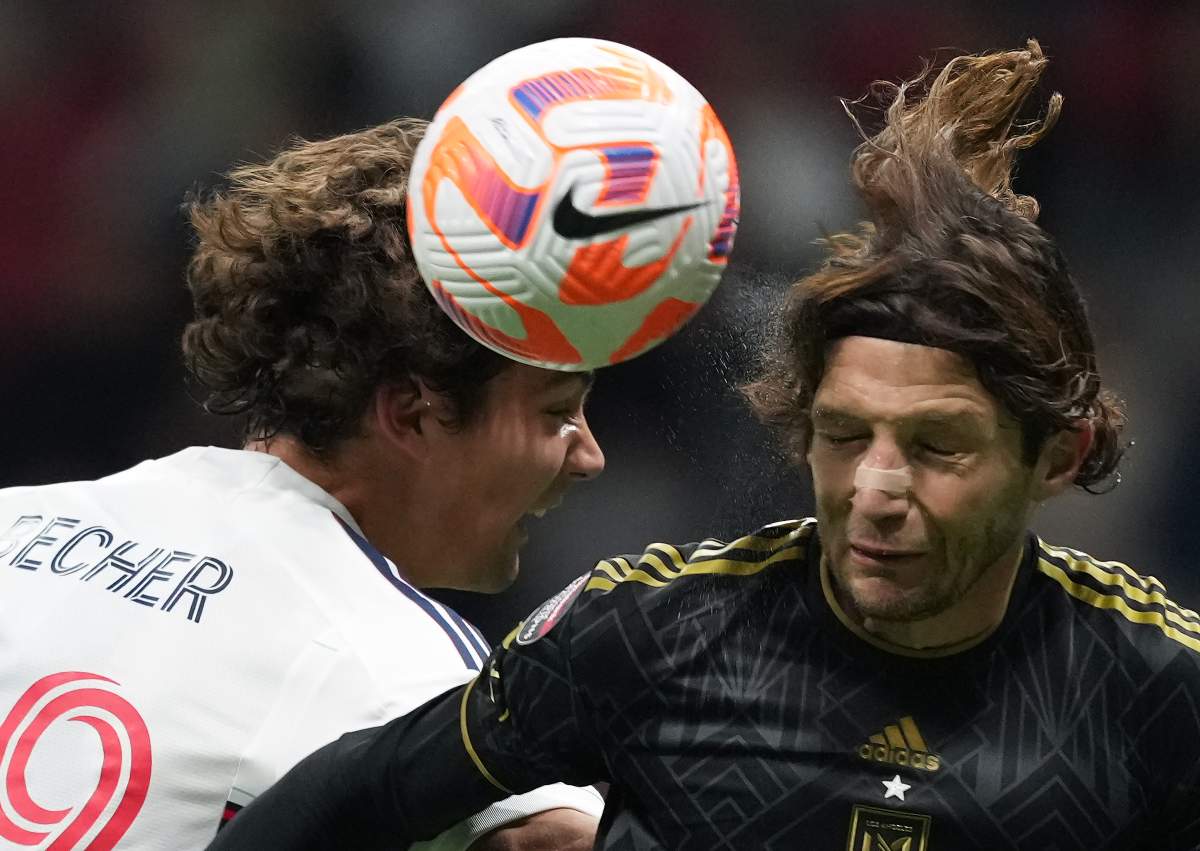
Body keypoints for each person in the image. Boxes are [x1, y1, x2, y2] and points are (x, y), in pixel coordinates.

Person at [208, 41, 1200, 851]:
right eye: (844, 434)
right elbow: (354, 796)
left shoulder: (1159, 687)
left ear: (1059, 456)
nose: (876, 487)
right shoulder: (651, 632)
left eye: (938, 446)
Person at [0, 118, 607, 849]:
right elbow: (559, 839)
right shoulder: (401, 665)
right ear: (413, 413)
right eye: (557, 411)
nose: (588, 456)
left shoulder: (20, 519)